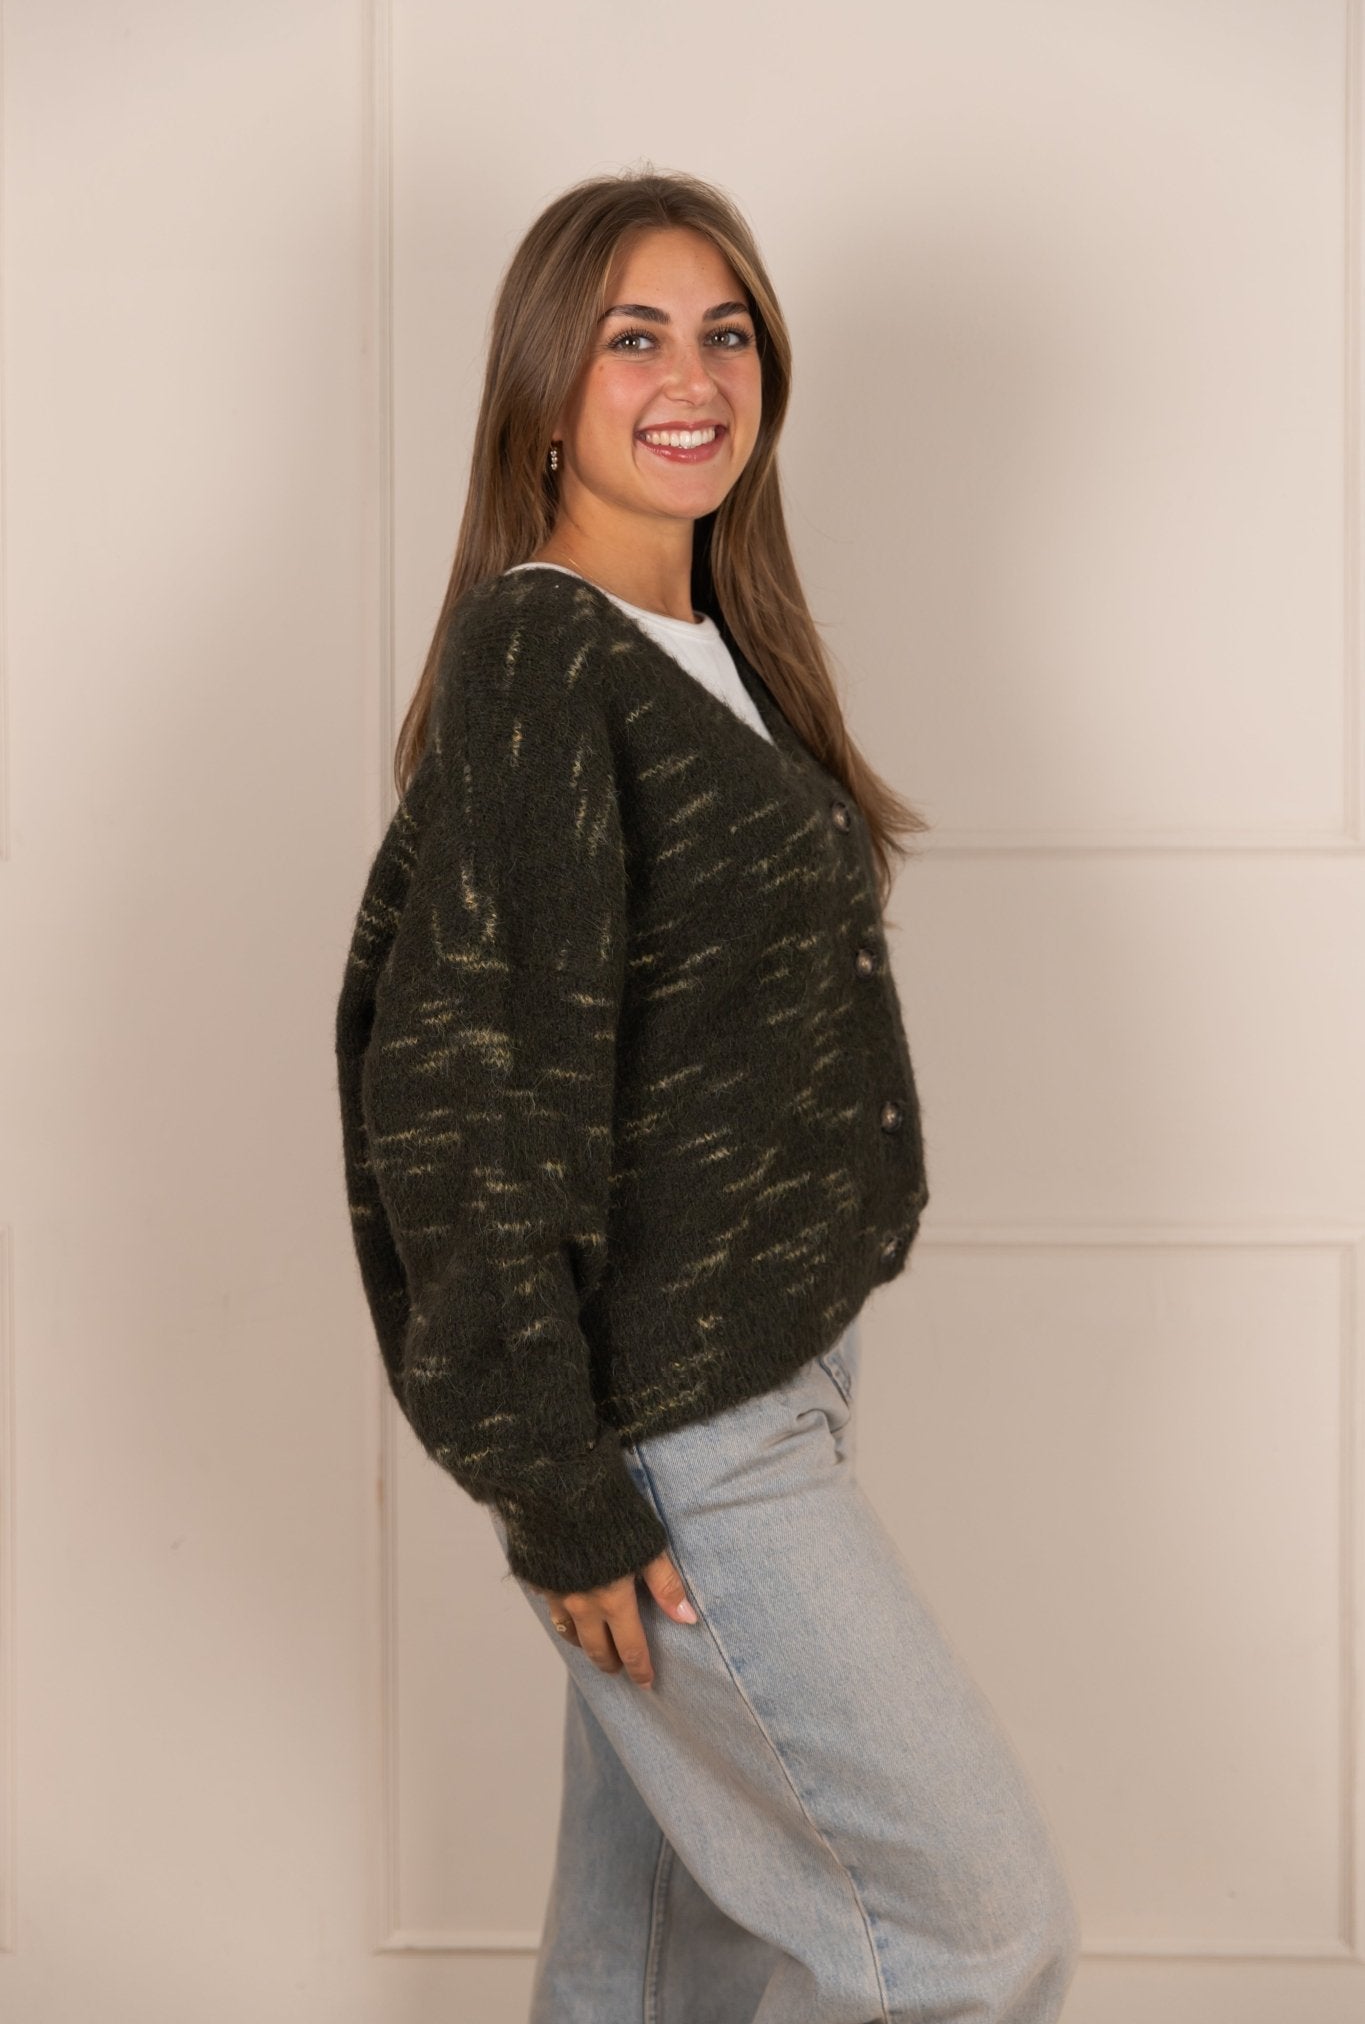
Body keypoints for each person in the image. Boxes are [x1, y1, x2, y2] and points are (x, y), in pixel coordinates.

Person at [335, 167, 1081, 2023]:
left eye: (725, 333)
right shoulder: (540, 650)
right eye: (633, 337)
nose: (692, 377)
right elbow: (466, 1097)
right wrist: (558, 1487)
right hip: (672, 1427)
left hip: (761, 1373)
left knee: (659, 1960)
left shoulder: (710, 650)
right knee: (977, 1935)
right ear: (544, 390)